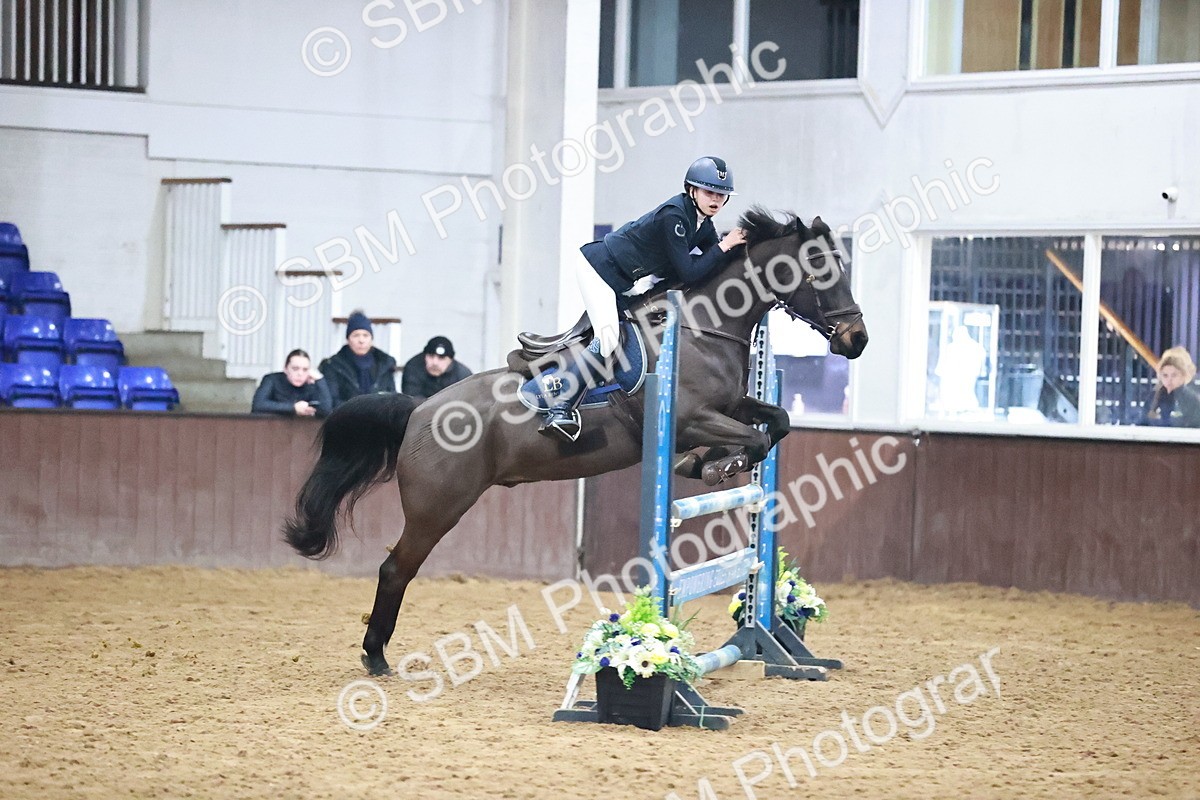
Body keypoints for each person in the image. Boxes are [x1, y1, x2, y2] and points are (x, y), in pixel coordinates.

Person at [539, 156, 748, 442]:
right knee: (610, 337)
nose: (716, 200)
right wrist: (724, 245)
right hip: (598, 269)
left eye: (721, 195)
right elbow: (689, 271)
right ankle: (560, 407)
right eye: (709, 192)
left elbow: (716, 262)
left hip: (624, 280)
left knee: (636, 329)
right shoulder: (674, 216)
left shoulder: (701, 224)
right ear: (692, 191)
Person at [318, 310, 398, 409]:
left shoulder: (385, 364)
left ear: (371, 339)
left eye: (365, 335)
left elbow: (393, 398)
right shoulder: (334, 366)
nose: (361, 340)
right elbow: (332, 400)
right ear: (348, 339)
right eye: (356, 335)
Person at [251, 349, 333, 418]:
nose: (300, 374)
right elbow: (258, 405)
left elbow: (327, 410)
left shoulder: (311, 384)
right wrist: (293, 408)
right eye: (295, 369)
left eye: (305, 370)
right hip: (270, 429)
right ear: (286, 369)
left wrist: (320, 380)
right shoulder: (272, 380)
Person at [1140, 346, 1200, 428]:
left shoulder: (1192, 399)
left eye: (1174, 375)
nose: (1169, 380)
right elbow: (1142, 422)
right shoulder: (1153, 396)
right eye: (1165, 375)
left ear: (1183, 376)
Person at [401, 335, 473, 403]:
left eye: (441, 358)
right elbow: (411, 400)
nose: (435, 362)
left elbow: (468, 404)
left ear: (450, 360)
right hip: (420, 413)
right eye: (431, 356)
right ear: (424, 356)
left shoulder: (463, 375)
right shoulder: (413, 367)